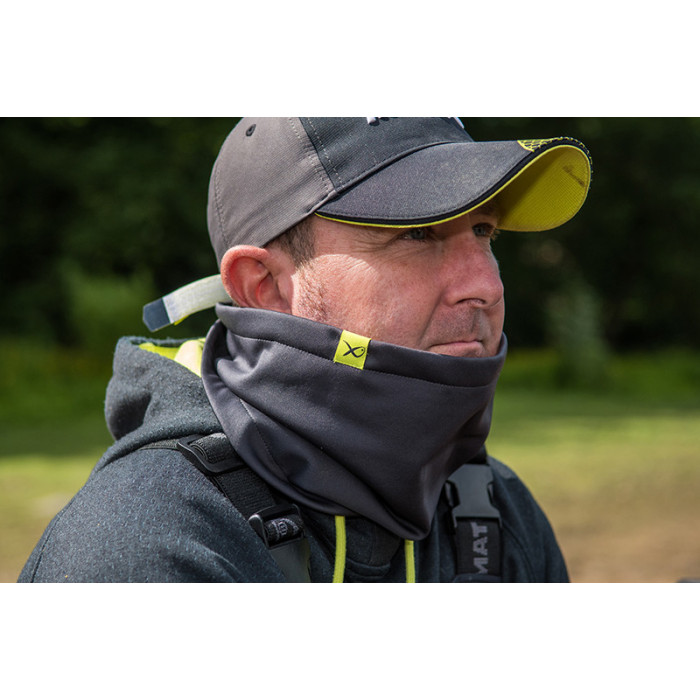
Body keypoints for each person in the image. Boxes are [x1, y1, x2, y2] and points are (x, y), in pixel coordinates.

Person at [19, 117, 592, 583]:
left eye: (484, 232)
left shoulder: (494, 513)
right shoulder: (145, 548)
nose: (485, 286)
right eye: (418, 233)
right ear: (265, 286)